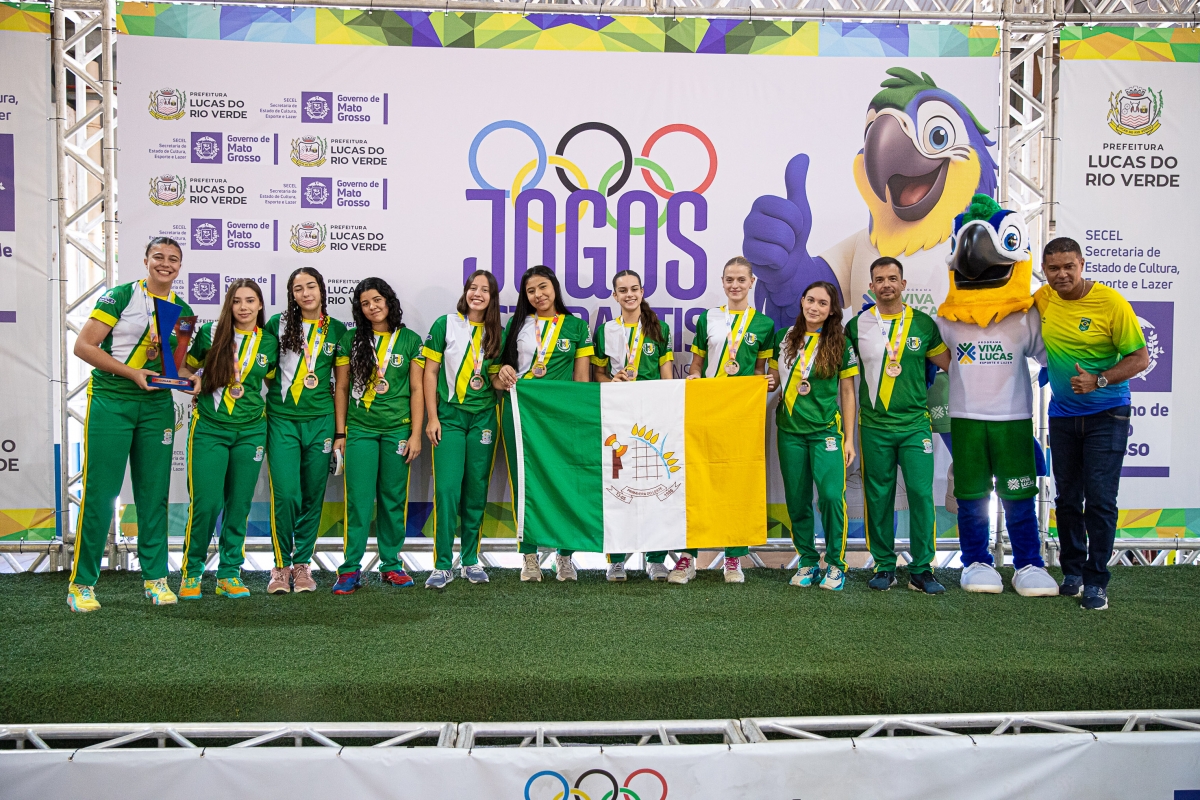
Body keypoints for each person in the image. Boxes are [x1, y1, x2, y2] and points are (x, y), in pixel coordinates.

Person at [67, 237, 195, 611]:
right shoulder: (120, 296)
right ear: (145, 260)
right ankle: (81, 585)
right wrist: (132, 373)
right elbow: (84, 347)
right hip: (112, 400)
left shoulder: (183, 311)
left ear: (180, 266)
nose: (165, 263)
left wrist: (194, 379)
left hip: (156, 405)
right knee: (100, 493)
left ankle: (155, 579)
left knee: (154, 495)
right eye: (158, 257)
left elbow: (176, 366)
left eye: (173, 259)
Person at [1037, 237, 1148, 611]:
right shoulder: (1044, 298)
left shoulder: (1111, 302)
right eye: (1054, 268)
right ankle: (1072, 573)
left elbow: (1140, 358)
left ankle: (1096, 581)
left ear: (1082, 265)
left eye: (1069, 266)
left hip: (1107, 415)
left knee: (1100, 499)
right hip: (1062, 415)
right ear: (1044, 270)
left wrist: (1099, 380)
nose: (1062, 274)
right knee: (1067, 498)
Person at [846, 257, 950, 594]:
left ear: (903, 284)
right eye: (880, 279)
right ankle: (884, 566)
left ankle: (922, 570)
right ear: (871, 286)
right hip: (874, 427)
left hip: (915, 425)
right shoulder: (856, 326)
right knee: (878, 496)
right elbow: (843, 376)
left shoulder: (923, 323)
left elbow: (950, 364)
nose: (886, 284)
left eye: (892, 278)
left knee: (921, 494)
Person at [674, 256, 776, 585]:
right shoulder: (709, 319)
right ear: (722, 282)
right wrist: (694, 377)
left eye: (741, 279)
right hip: (707, 410)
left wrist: (767, 381)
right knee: (698, 479)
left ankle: (733, 557)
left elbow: (762, 372)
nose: (735, 285)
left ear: (752, 283)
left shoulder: (764, 325)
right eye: (729, 279)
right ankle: (687, 556)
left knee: (737, 483)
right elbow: (696, 365)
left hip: (741, 415)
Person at [492, 265, 593, 582]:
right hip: (521, 413)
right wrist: (502, 373)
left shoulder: (576, 326)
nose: (538, 294)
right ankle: (529, 556)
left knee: (567, 482)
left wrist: (579, 417)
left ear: (554, 288)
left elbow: (582, 380)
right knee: (524, 482)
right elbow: (497, 376)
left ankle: (565, 556)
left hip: (563, 416)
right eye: (531, 290)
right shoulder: (517, 324)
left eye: (543, 287)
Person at [178, 279, 278, 600]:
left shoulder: (269, 342)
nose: (243, 307)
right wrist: (192, 380)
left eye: (250, 300)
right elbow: (184, 368)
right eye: (236, 301)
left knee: (239, 505)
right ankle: (192, 572)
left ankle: (229, 573)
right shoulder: (211, 333)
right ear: (228, 305)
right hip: (210, 427)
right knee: (206, 504)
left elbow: (273, 382)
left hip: (251, 430)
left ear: (260, 305)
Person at [331, 278, 425, 595]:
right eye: (365, 303)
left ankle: (391, 565)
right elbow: (341, 388)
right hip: (360, 430)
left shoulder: (410, 340)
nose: (372, 307)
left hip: (398, 430)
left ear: (388, 301)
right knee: (358, 502)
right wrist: (340, 433)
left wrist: (415, 434)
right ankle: (349, 569)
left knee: (392, 500)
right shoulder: (350, 340)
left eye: (377, 300)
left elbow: (417, 389)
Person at [768, 281, 859, 592]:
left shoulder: (841, 343)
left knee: (832, 497)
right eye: (810, 300)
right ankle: (807, 561)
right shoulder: (784, 338)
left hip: (825, 433)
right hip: (790, 432)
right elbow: (774, 378)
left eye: (822, 303)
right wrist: (767, 382)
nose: (814, 307)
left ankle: (835, 564)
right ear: (802, 302)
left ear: (832, 310)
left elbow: (848, 392)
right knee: (797, 500)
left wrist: (849, 439)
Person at [263, 268, 347, 595]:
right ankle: (280, 566)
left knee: (313, 494)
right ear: (292, 295)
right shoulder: (277, 324)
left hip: (321, 421)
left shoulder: (336, 329)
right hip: (283, 419)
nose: (305, 293)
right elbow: (265, 370)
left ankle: (302, 565)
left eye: (311, 286)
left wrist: (339, 432)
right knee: (286, 495)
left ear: (322, 290)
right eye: (298, 289)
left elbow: (341, 384)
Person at [591, 269, 675, 583]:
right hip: (619, 416)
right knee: (619, 487)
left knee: (655, 487)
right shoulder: (605, 331)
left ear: (642, 292)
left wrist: (667, 410)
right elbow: (597, 376)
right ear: (615, 296)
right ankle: (616, 560)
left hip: (653, 416)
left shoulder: (659, 328)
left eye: (634, 289)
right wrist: (611, 380)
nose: (629, 295)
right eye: (623, 290)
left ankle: (656, 560)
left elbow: (667, 375)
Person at [421, 270, 503, 590]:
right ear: (465, 291)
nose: (477, 294)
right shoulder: (446, 324)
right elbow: (430, 373)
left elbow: (494, 378)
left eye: (484, 290)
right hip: (450, 418)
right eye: (473, 287)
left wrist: (506, 376)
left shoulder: (498, 332)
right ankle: (442, 564)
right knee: (446, 490)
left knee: (476, 490)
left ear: (492, 297)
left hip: (483, 418)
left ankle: (470, 559)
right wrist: (432, 418)